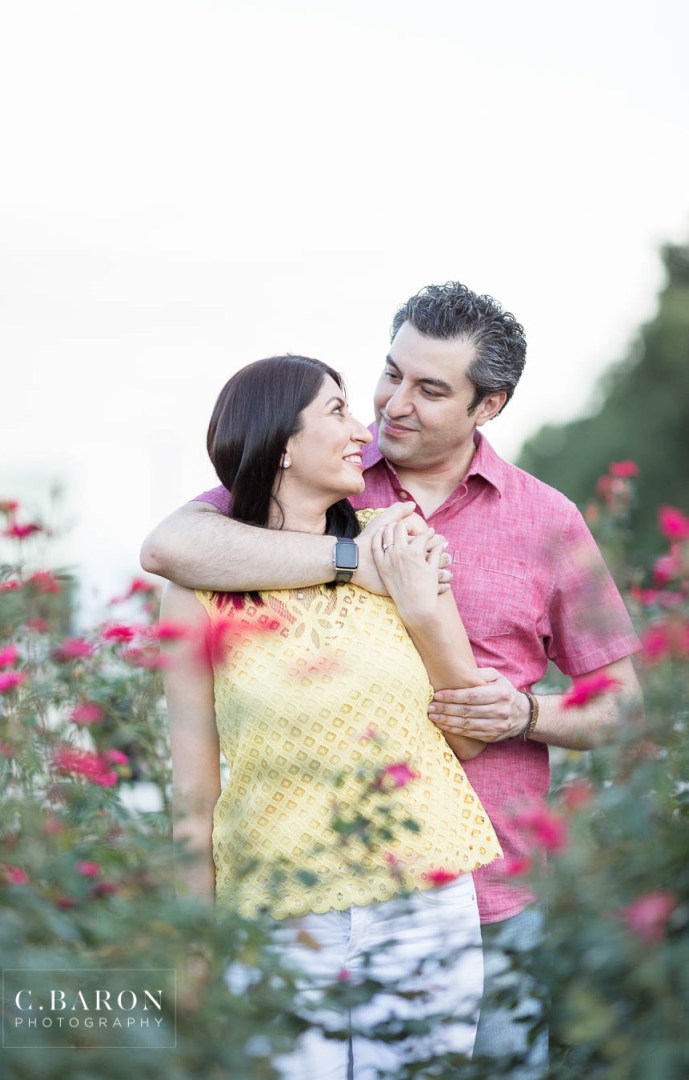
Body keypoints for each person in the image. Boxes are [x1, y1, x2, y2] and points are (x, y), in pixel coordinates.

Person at [142, 283, 643, 1077]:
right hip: (310, 890)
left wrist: (522, 713)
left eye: (430, 389)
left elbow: (621, 707)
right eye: (390, 372)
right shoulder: (334, 477)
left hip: (491, 894)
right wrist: (354, 564)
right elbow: (174, 547)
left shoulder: (548, 522)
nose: (391, 405)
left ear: (490, 406)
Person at [160, 354, 502, 1078]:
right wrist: (192, 944)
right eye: (337, 411)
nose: (363, 427)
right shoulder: (197, 589)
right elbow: (193, 799)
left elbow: (468, 735)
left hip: (422, 901)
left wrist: (421, 610)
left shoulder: (402, 543)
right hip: (278, 912)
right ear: (283, 442)